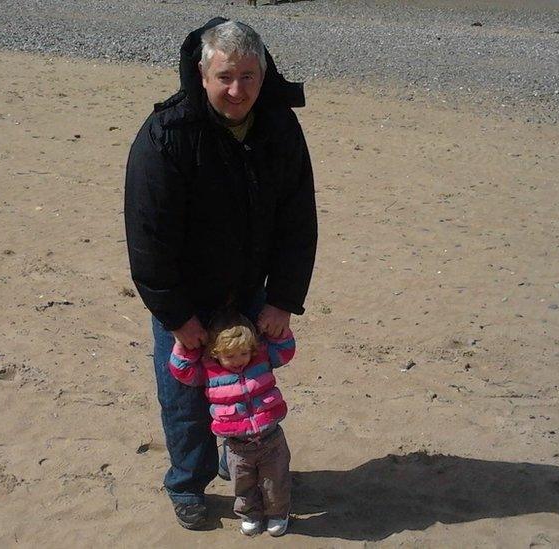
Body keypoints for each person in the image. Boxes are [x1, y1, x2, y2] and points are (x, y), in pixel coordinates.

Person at [123, 18, 316, 530]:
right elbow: (148, 239)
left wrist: (283, 299)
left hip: (252, 292)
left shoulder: (278, 125)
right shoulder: (168, 133)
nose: (238, 90)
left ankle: (245, 468)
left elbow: (299, 218)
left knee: (250, 387)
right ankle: (187, 482)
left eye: (249, 76)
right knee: (184, 395)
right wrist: (177, 315)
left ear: (264, 74)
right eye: (225, 76)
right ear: (202, 74)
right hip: (188, 297)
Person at [168, 312, 295, 536]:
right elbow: (183, 372)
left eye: (244, 353)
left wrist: (279, 333)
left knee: (275, 481)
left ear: (253, 348)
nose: (238, 360)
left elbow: (285, 352)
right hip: (237, 445)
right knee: (243, 484)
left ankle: (277, 514)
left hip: (271, 437)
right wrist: (183, 346)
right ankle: (251, 515)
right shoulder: (209, 372)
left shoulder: (262, 359)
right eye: (230, 356)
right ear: (215, 354)